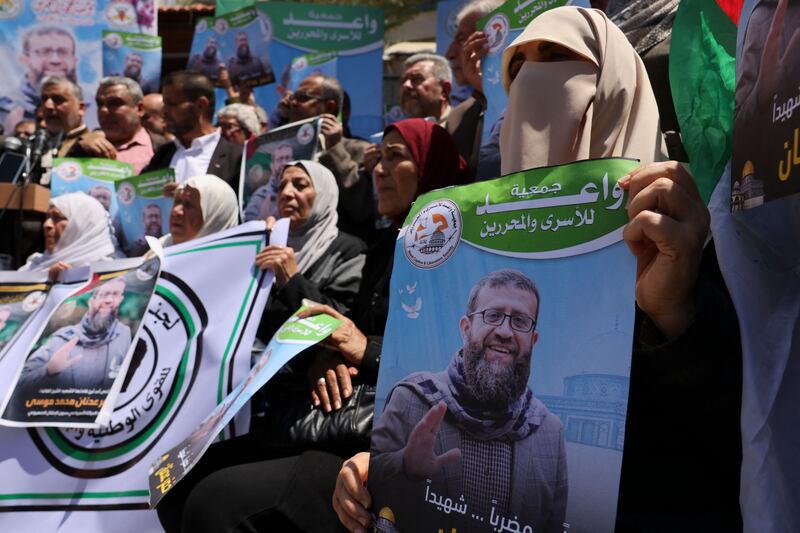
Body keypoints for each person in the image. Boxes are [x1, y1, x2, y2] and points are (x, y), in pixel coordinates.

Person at [334, 7, 742, 532]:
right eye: (518, 66)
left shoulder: (683, 226)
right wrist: (385, 470)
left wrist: (676, 312)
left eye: (557, 57)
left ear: (618, 83)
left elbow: (741, 435)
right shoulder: (471, 243)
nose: (535, 78)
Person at [154, 119, 470, 533]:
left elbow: (450, 358)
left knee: (214, 505)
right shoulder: (385, 249)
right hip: (331, 410)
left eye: (398, 158)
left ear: (431, 168)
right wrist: (321, 357)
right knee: (172, 479)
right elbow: (341, 329)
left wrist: (363, 347)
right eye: (379, 158)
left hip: (384, 436)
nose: (379, 169)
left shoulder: (456, 256)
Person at [370, 269, 567, 533]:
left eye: (520, 321)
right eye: (493, 315)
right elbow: (368, 495)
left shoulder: (549, 432)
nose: (505, 332)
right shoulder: (412, 398)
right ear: (466, 328)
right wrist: (404, 465)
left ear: (533, 340)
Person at [253, 160, 366, 342]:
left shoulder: (349, 251)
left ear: (324, 194)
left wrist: (291, 280)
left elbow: (344, 320)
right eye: (281, 187)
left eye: (300, 185)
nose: (287, 193)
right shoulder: (266, 244)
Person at [286, 74, 373, 242]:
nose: (293, 103)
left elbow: (361, 208)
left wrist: (334, 149)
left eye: (303, 97)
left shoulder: (358, 150)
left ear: (330, 107)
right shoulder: (287, 151)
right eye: (292, 98)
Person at [14, 277, 130, 394]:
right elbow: (21, 381)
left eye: (115, 294)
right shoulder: (63, 339)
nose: (109, 300)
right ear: (91, 301)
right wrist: (48, 370)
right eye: (103, 294)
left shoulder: (125, 334)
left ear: (121, 299)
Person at [141, 71, 243, 193]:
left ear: (200, 105)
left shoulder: (236, 157)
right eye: (164, 104)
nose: (164, 112)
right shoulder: (163, 154)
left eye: (172, 104)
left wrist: (186, 197)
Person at [444, 0, 503, 173]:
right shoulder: (458, 118)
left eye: (463, 38)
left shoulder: (537, 102)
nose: (449, 53)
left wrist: (492, 94)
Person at [66, 77, 167, 174]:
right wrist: (78, 149)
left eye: (114, 103)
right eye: (100, 104)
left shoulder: (163, 148)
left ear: (139, 109)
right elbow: (60, 182)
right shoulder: (85, 147)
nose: (104, 110)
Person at [18, 192, 116, 278]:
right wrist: (45, 279)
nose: (46, 225)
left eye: (58, 217)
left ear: (84, 225)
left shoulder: (111, 273)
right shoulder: (34, 266)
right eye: (47, 217)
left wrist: (72, 280)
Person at [2, 26, 79, 133]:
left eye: (63, 52)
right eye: (44, 52)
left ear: (74, 60)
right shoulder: (5, 107)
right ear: (24, 59)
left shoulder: (95, 105)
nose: (55, 60)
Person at [160, 174, 239, 246]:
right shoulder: (158, 249)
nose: (176, 211)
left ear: (213, 217)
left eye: (189, 205)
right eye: (178, 201)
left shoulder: (231, 260)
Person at [243, 142, 294, 222]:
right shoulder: (260, 196)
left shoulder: (302, 192)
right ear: (272, 166)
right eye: (280, 159)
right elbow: (248, 223)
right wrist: (261, 221)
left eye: (287, 158)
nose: (284, 163)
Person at [40, 76, 88, 157]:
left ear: (80, 108)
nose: (48, 106)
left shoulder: (92, 145)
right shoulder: (34, 145)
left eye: (58, 99)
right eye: (44, 99)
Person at [399, 53, 452, 124]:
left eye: (416, 79)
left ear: (444, 90)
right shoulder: (396, 133)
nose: (406, 85)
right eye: (403, 81)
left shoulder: (463, 127)